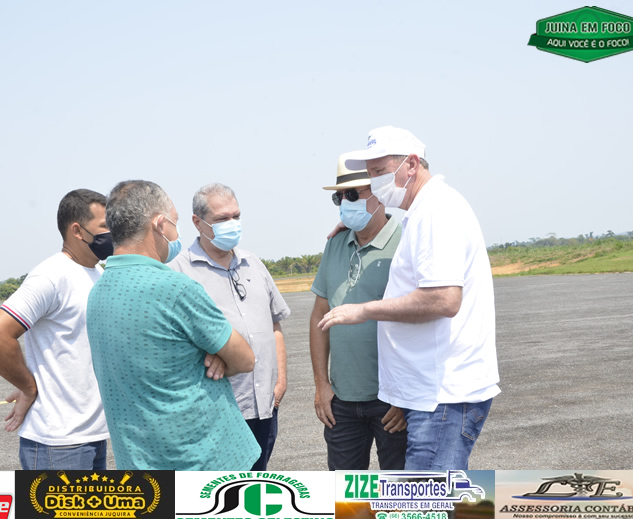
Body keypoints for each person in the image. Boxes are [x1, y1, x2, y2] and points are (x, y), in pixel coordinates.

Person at [319, 126, 500, 470]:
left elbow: (444, 299)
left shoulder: (436, 211)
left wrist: (365, 310)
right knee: (423, 497)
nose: (375, 183)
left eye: (379, 172)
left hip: (442, 396)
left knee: (426, 499)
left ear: (412, 165)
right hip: (432, 394)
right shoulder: (423, 211)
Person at [86, 179, 261, 470]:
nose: (177, 233)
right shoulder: (175, 289)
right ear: (159, 224)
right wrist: (219, 358)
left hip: (140, 460)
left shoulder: (98, 292)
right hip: (201, 461)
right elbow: (245, 359)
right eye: (175, 223)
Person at [0, 189, 111, 470]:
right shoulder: (51, 276)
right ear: (77, 230)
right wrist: (28, 387)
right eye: (104, 226)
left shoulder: (98, 273)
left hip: (93, 436)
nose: (112, 233)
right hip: (58, 444)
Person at [168, 183, 290, 471]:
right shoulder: (179, 271)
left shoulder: (253, 263)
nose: (232, 224)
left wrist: (280, 381)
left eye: (236, 216)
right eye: (222, 219)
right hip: (217, 410)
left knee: (255, 484)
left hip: (264, 405)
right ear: (198, 222)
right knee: (220, 490)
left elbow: (274, 325)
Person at [310, 152, 407, 470]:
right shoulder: (335, 244)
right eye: (338, 197)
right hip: (342, 402)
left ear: (379, 192)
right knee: (344, 494)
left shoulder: (406, 243)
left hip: (392, 401)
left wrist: (406, 397)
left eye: (352, 195)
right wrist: (322, 385)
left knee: (399, 489)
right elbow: (319, 316)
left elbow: (421, 324)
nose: (344, 203)